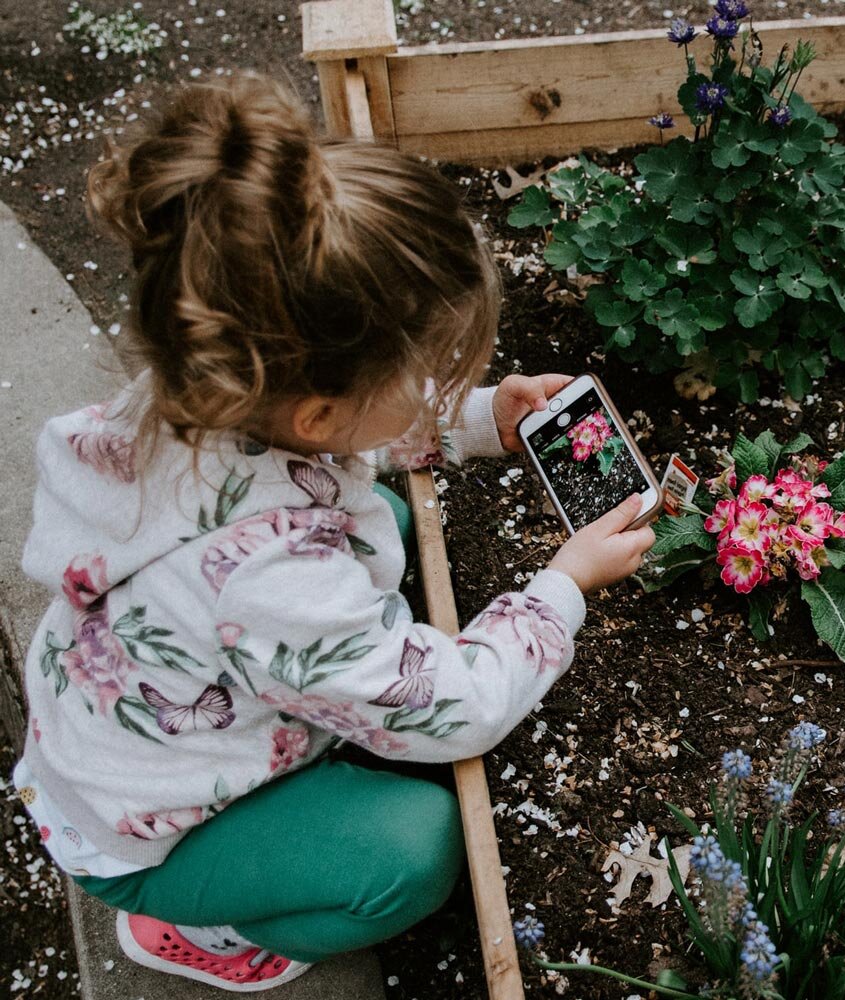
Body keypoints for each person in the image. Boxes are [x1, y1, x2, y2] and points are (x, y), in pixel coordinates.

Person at [12, 73, 654, 992]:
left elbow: (339, 442)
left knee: (383, 518)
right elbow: (454, 709)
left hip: (126, 731)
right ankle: (198, 927)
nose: (437, 378)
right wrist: (562, 586)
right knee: (415, 850)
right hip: (151, 831)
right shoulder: (276, 580)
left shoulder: (195, 389)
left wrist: (478, 420)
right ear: (316, 410)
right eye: (427, 368)